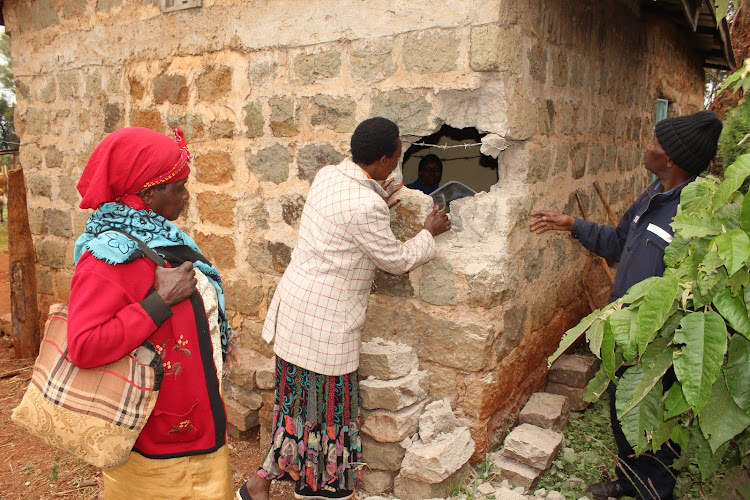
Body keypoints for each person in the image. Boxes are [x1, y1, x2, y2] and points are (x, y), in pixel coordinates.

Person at [237, 117, 451, 500]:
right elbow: (396, 260)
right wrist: (428, 233)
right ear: (384, 161)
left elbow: (347, 219)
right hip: (326, 324)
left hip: (297, 311)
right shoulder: (366, 205)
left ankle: (267, 484)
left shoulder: (329, 176)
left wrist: (376, 195)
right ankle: (311, 485)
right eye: (397, 156)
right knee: (326, 410)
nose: (398, 162)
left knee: (297, 407)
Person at [530, 110, 723, 500]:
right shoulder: (653, 195)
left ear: (670, 158)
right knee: (623, 411)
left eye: (654, 142)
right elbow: (619, 243)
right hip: (627, 332)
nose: (647, 147)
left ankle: (654, 490)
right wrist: (573, 224)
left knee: (652, 417)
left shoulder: (693, 214)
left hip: (659, 343)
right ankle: (630, 479)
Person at [67, 127, 239, 500]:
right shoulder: (108, 256)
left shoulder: (162, 239)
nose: (185, 195)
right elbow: (83, 345)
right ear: (147, 192)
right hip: (156, 443)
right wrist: (159, 301)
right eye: (177, 186)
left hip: (191, 420)